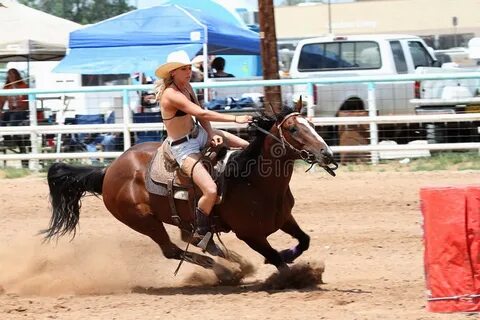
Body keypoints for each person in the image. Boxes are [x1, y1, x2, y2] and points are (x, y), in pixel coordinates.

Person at [154, 50, 252, 244]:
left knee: (247, 148)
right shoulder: (171, 95)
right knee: (210, 190)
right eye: (183, 69)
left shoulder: (186, 86)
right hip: (183, 147)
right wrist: (235, 118)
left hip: (198, 134)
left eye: (189, 68)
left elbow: (200, 117)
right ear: (173, 72)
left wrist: (211, 133)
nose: (188, 72)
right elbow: (201, 112)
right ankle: (200, 230)